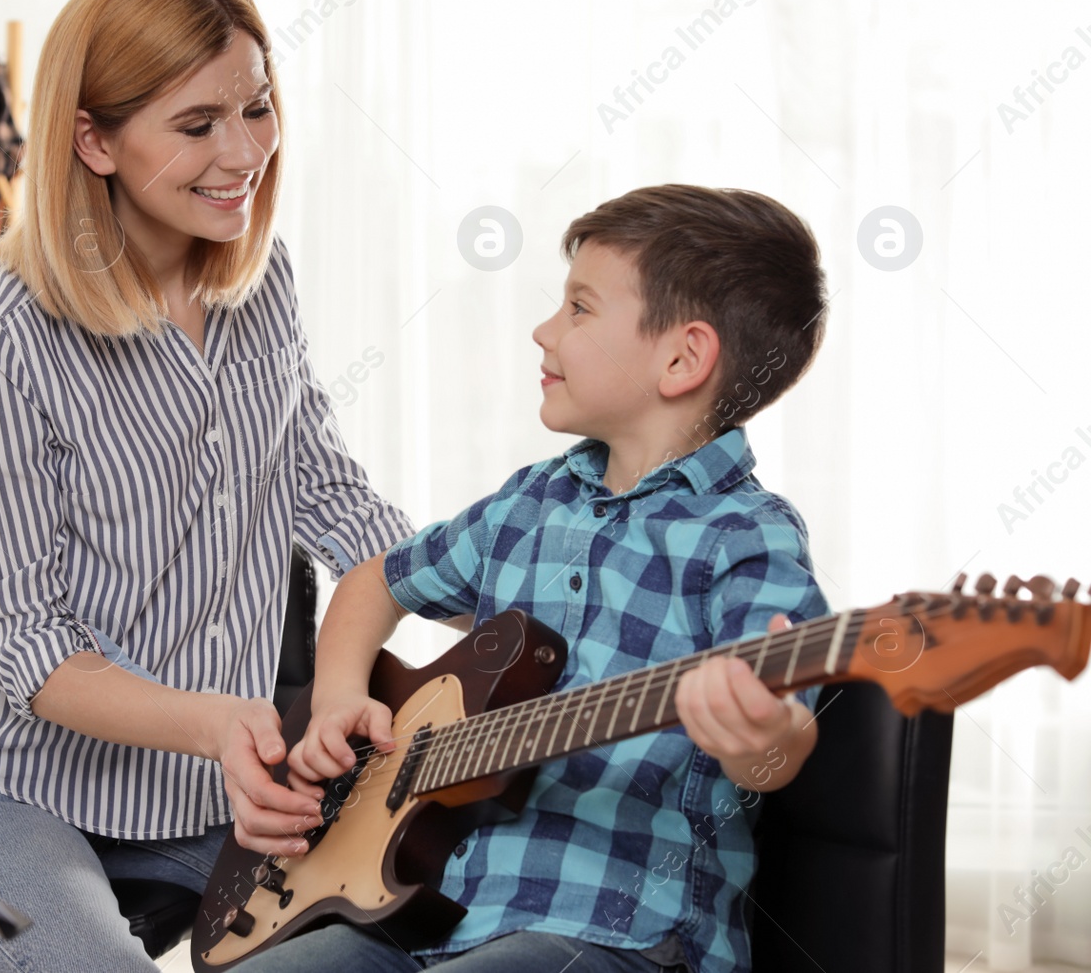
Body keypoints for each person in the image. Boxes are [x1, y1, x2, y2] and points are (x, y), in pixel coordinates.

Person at [0, 0, 414, 972]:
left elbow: (329, 493)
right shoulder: (2, 341)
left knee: (413, 930)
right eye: (197, 125)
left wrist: (514, 592)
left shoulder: (263, 284)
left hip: (191, 796)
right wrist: (225, 724)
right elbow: (33, 647)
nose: (244, 150)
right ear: (95, 140)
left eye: (257, 108)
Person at [237, 185, 833, 973]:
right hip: (422, 915)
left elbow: (780, 738)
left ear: (683, 357)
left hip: (615, 937)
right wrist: (341, 696)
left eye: (579, 309)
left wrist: (765, 736)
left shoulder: (747, 539)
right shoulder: (530, 501)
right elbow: (374, 580)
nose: (543, 330)